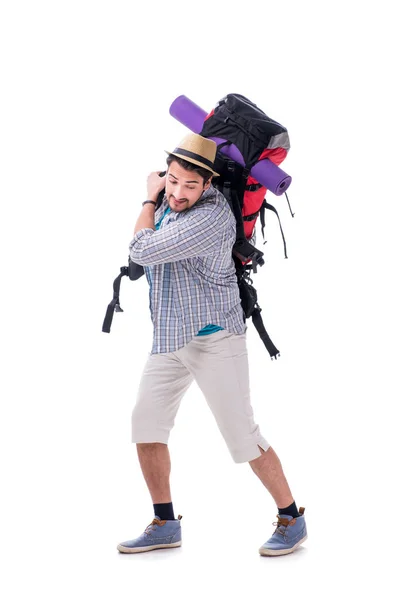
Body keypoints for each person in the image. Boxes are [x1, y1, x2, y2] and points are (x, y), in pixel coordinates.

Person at [117, 133, 307, 556]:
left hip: (215, 338)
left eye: (190, 185)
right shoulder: (171, 202)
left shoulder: (211, 217)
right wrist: (159, 199)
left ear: (208, 185)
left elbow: (140, 248)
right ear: (168, 174)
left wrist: (148, 199)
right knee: (146, 427)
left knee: (242, 435)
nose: (178, 192)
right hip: (170, 334)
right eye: (172, 181)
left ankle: (292, 517)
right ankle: (165, 523)